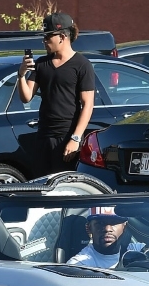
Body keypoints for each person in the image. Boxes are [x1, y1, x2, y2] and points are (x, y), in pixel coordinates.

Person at [16, 12, 96, 177]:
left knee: (63, 188)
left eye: (48, 37)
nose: (44, 41)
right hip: (43, 135)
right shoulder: (41, 64)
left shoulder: (82, 65)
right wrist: (21, 75)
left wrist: (75, 139)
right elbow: (26, 97)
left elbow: (88, 105)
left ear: (62, 36)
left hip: (66, 136)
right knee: (41, 185)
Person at [67, 207, 149, 269]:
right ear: (89, 229)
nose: (107, 229)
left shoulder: (138, 250)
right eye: (100, 223)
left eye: (114, 223)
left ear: (125, 226)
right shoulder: (79, 265)